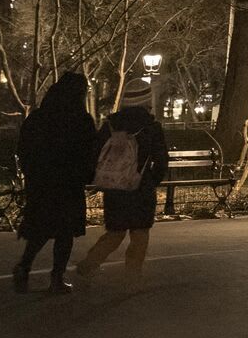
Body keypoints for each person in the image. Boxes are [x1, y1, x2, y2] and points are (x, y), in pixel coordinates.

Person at [10, 71, 97, 293]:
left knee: (42, 227)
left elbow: (24, 148)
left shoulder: (39, 117)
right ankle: (57, 278)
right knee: (65, 233)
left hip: (41, 182)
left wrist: (32, 173)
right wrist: (86, 175)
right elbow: (89, 152)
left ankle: (24, 265)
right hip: (69, 183)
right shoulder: (80, 119)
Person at [76, 74, 169, 280]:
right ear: (147, 101)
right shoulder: (152, 128)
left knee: (115, 231)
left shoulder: (111, 125)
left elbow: (95, 154)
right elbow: (162, 160)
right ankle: (132, 275)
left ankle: (90, 263)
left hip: (114, 186)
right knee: (139, 233)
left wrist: (97, 178)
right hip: (140, 187)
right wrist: (151, 181)